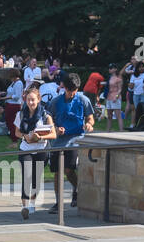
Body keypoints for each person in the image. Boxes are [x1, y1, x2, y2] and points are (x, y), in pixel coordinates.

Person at [45, 72, 93, 211]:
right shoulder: (55, 102)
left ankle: (77, 189)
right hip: (58, 142)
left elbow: (90, 117)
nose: (72, 93)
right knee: (57, 172)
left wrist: (89, 124)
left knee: (68, 170)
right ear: (64, 87)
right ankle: (58, 202)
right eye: (69, 90)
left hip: (75, 139)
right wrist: (55, 128)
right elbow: (48, 121)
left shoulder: (83, 100)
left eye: (74, 90)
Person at [12, 84, 56, 219]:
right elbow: (17, 132)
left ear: (38, 99)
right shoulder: (20, 114)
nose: (31, 102)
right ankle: (24, 206)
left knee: (36, 178)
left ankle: (32, 203)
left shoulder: (45, 115)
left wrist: (40, 137)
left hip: (41, 149)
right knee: (27, 176)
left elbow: (53, 134)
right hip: (26, 148)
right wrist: (25, 136)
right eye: (28, 100)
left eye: (33, 99)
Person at [104, 66, 124, 132]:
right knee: (109, 115)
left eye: (111, 68)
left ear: (115, 69)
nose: (109, 69)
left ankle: (121, 130)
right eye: (109, 68)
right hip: (109, 97)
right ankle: (108, 130)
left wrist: (117, 96)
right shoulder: (109, 78)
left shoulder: (118, 78)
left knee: (118, 115)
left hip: (115, 97)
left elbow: (120, 89)